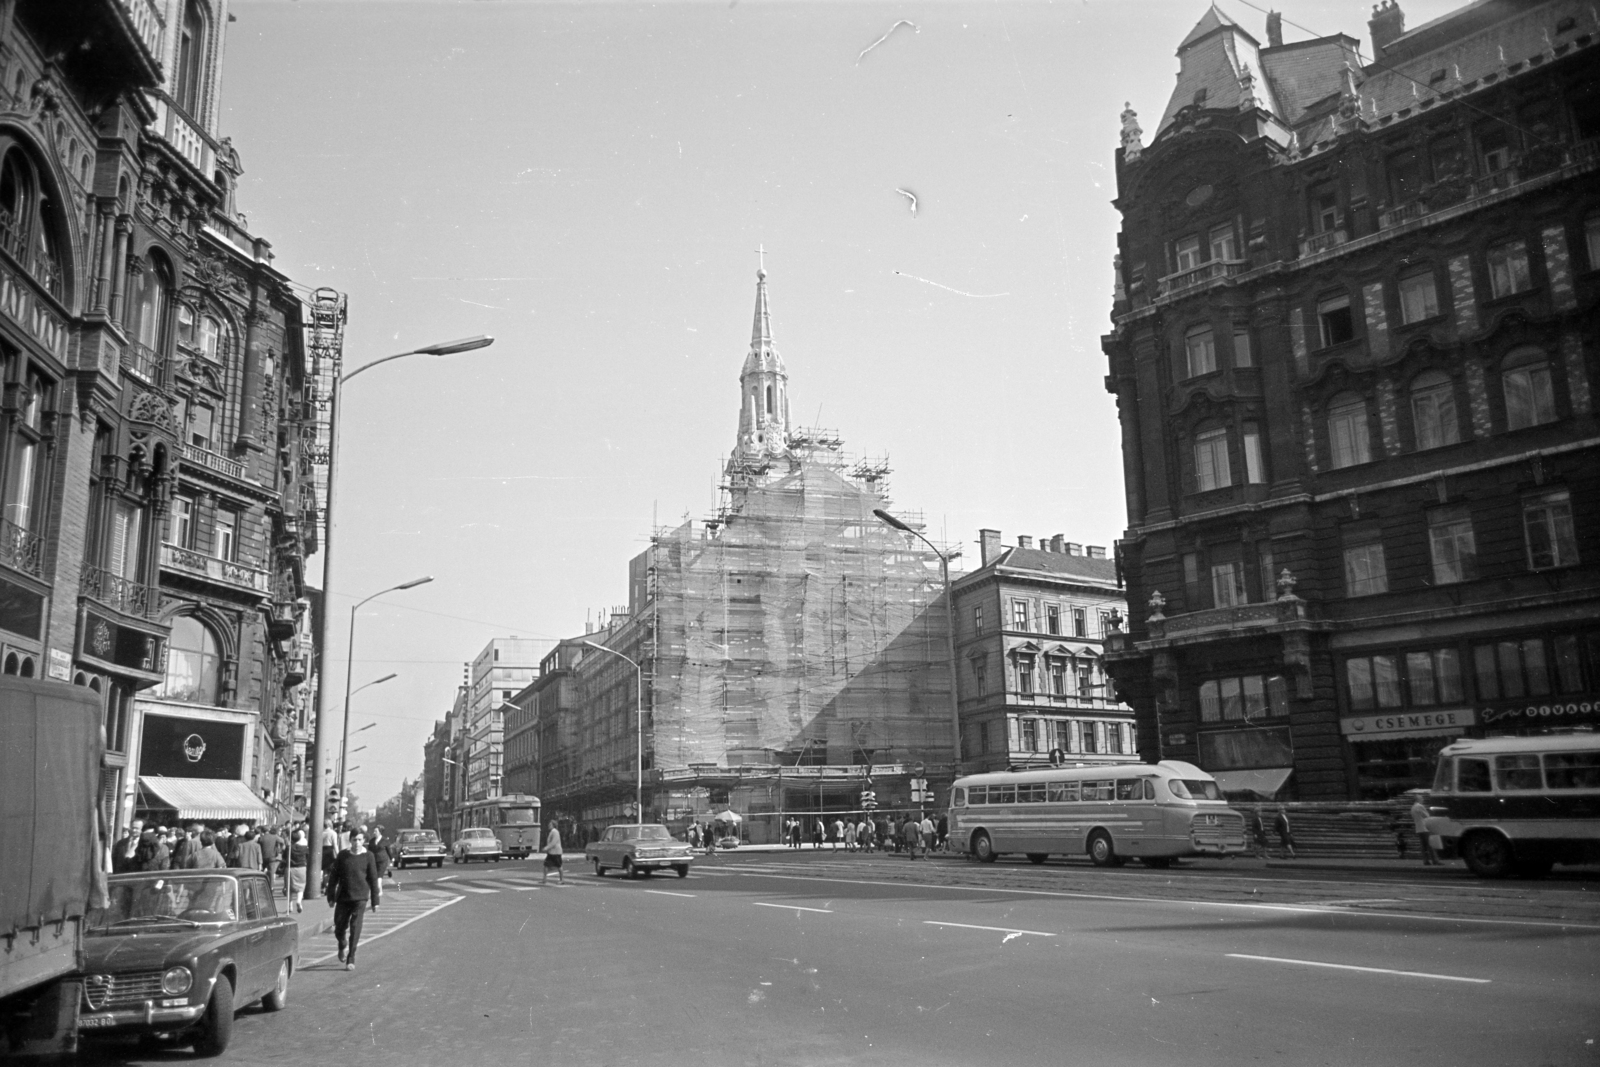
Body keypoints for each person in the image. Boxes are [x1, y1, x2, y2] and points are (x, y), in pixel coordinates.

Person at [327, 829, 381, 970]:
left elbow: (373, 879)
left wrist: (375, 901)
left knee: (355, 928)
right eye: (354, 840)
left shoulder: (368, 856)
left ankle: (351, 958)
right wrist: (331, 897)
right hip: (343, 897)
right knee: (339, 928)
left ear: (364, 841)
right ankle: (342, 944)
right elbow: (333, 877)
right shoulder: (343, 855)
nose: (357, 843)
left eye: (359, 840)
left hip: (360, 898)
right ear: (350, 840)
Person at [1410, 796, 1440, 866]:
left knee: (1424, 846)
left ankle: (1426, 861)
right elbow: (1426, 815)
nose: (1423, 799)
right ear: (1418, 799)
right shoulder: (1420, 806)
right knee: (1431, 845)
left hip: (1418, 828)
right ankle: (1435, 860)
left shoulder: (1412, 808)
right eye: (1421, 798)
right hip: (1425, 828)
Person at [286, 829, 309, 912]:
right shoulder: (304, 848)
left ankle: (290, 906)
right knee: (301, 887)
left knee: (289, 887)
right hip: (301, 868)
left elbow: (284, 857)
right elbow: (307, 856)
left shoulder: (289, 848)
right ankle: (299, 901)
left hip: (290, 868)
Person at [541, 821, 565, 886]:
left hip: (556, 852)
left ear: (553, 825)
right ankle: (544, 879)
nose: (549, 825)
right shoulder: (552, 832)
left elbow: (553, 842)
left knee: (559, 866)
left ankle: (561, 880)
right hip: (551, 852)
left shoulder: (555, 832)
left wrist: (546, 848)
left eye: (550, 824)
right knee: (546, 865)